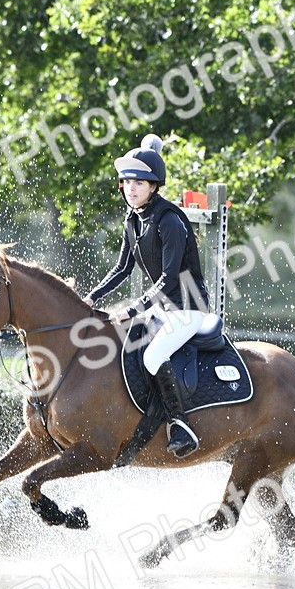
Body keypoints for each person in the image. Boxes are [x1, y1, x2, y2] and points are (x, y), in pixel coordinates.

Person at [82, 135, 211, 458]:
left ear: (154, 186)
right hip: (162, 309)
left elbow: (169, 279)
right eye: (127, 182)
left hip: (188, 307)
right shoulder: (133, 220)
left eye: (139, 182)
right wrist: (89, 298)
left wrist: (133, 308)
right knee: (121, 348)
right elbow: (122, 268)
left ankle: (179, 425)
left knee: (152, 357)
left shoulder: (170, 220)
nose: (131, 188)